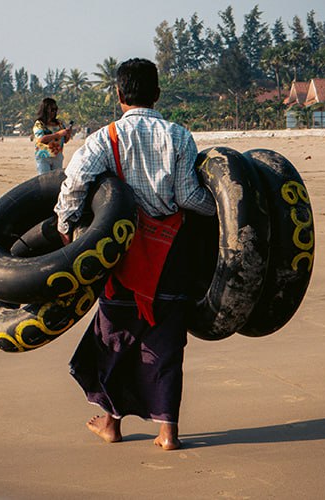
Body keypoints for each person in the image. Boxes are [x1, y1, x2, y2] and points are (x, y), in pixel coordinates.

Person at [54, 58, 216, 451]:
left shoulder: (103, 138)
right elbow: (188, 196)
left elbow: (74, 183)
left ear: (118, 94)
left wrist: (66, 226)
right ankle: (167, 433)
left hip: (121, 252)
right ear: (157, 94)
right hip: (172, 252)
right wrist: (220, 210)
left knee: (113, 337)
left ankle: (111, 422)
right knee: (167, 341)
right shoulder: (178, 136)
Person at [33, 97, 72, 174]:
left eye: (55, 110)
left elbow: (65, 141)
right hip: (43, 156)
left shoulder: (59, 124)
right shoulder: (39, 124)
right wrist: (58, 134)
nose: (53, 112)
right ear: (45, 110)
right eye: (51, 110)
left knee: (55, 181)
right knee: (45, 180)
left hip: (57, 156)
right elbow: (41, 139)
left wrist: (68, 133)